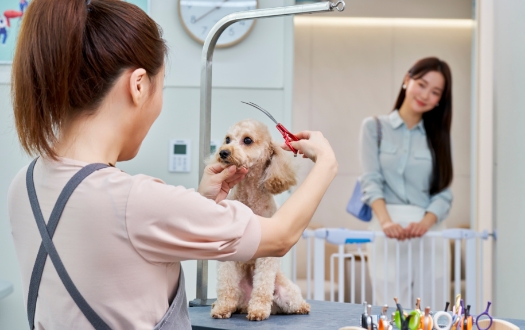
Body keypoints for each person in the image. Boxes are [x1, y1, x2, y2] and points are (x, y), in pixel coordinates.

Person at [8, 0, 338, 329]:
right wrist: (325, 163)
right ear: (138, 86)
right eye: (161, 87)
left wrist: (200, 201)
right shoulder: (136, 200)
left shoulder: (24, 185)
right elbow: (280, 237)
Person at [359, 57, 453, 308]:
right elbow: (371, 181)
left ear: (439, 101)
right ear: (407, 80)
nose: (425, 95)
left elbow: (444, 192)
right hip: (386, 228)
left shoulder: (439, 137)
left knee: (430, 309)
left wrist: (426, 223)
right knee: (391, 307)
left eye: (435, 92)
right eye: (422, 84)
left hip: (429, 231)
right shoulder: (374, 127)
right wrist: (386, 221)